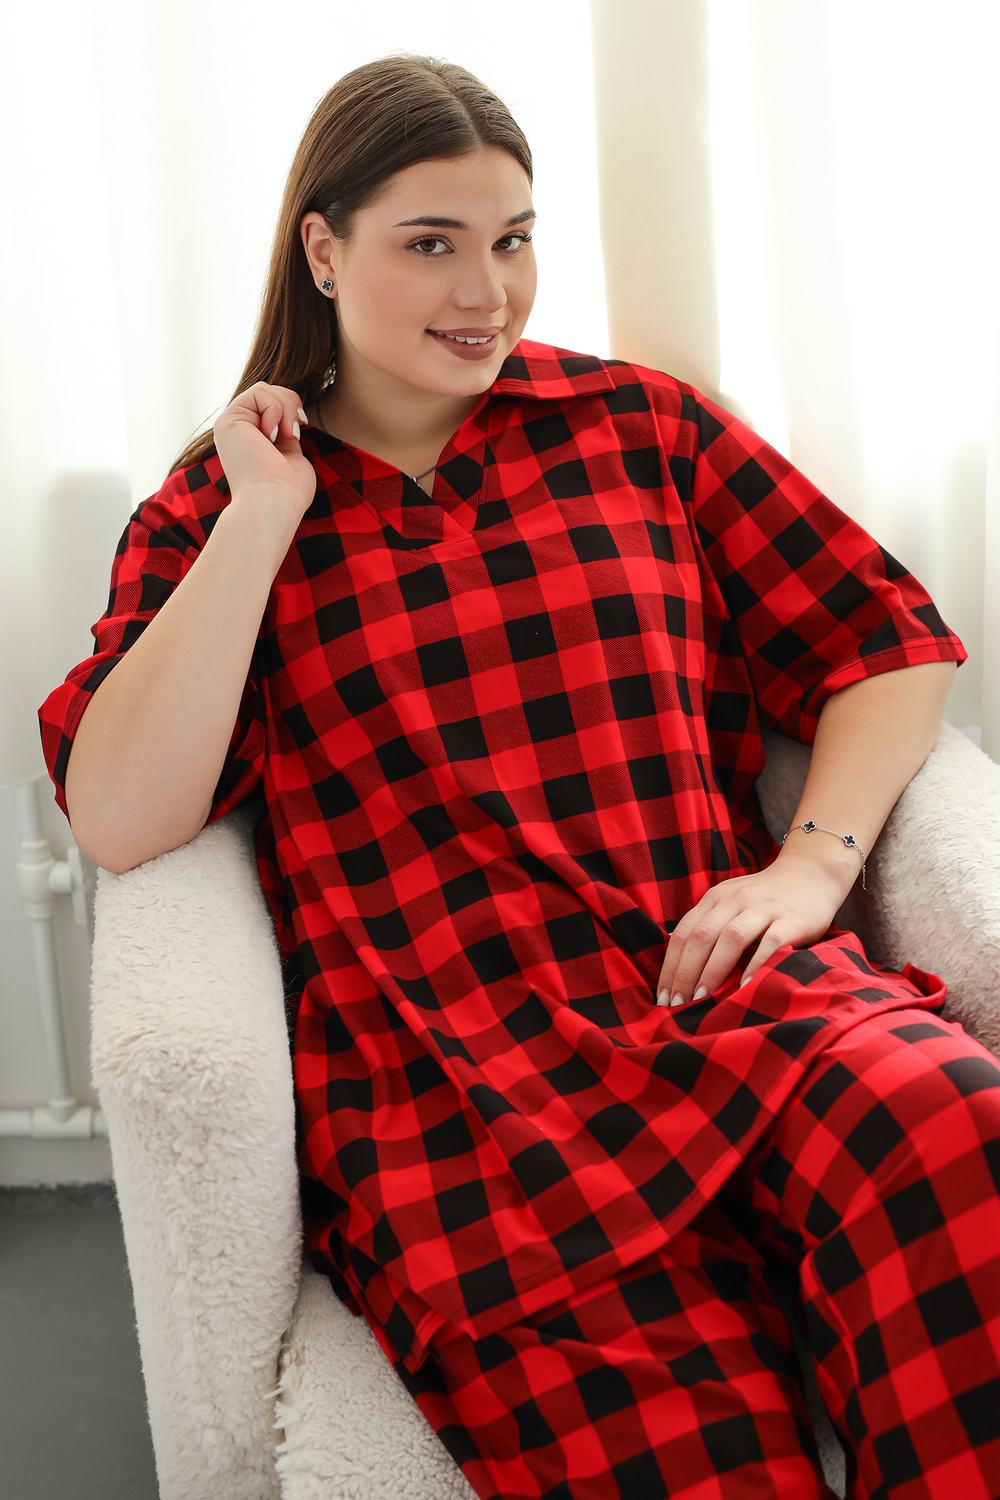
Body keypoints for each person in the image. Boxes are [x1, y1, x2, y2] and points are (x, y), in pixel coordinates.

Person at [39, 54, 1000, 1500]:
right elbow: (122, 817)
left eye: (514, 239)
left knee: (954, 1131)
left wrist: (812, 866)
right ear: (322, 250)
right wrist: (260, 522)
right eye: (432, 245)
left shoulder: (639, 428)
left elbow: (888, 640)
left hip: (718, 987)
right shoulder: (212, 512)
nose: (487, 292)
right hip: (461, 1094)